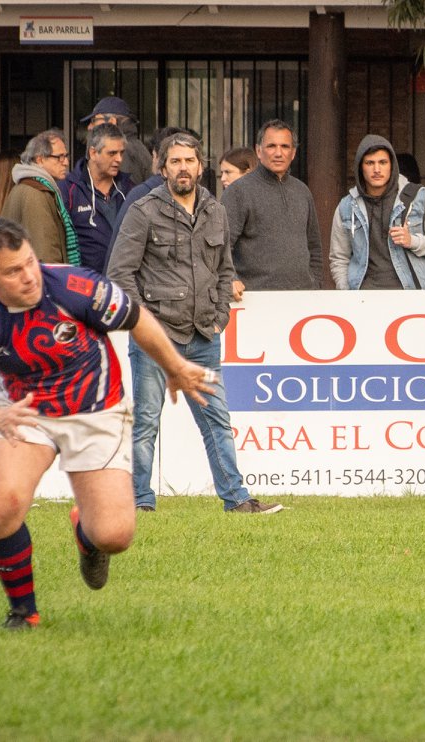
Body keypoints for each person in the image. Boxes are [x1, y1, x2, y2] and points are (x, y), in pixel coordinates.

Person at [0, 217, 217, 628]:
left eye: (29, 263)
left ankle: (87, 536)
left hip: (97, 408)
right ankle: (24, 612)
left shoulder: (74, 286)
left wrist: (176, 366)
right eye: (12, 271)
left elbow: (138, 319)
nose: (28, 277)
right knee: (1, 506)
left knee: (114, 535)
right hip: (25, 409)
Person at [107, 132, 282, 514]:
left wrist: (221, 316)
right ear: (163, 167)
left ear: (200, 166)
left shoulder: (215, 210)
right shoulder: (144, 210)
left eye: (189, 161)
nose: (183, 167)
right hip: (156, 338)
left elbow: (225, 271)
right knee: (147, 422)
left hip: (203, 334)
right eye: (175, 161)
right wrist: (142, 325)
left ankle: (236, 500)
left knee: (217, 420)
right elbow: (120, 273)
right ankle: (139, 502)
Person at [328, 134, 425, 290]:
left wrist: (413, 241)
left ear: (392, 165)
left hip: (412, 297)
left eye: (383, 162)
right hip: (363, 300)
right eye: (370, 163)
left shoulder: (419, 198)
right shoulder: (347, 206)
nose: (377, 169)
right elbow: (339, 258)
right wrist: (346, 293)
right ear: (360, 167)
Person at [222, 119, 327, 292]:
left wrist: (315, 285)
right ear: (258, 150)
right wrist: (231, 279)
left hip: (303, 299)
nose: (278, 153)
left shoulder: (302, 191)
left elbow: (314, 246)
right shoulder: (238, 192)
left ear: (293, 153)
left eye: (285, 147)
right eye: (271, 146)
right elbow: (221, 245)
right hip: (255, 301)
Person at [60, 124, 133, 275]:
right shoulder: (68, 190)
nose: (119, 159)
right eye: (112, 153)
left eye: (121, 153)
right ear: (93, 153)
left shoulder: (129, 188)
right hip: (86, 285)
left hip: (124, 283)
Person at [0, 129, 76, 265]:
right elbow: (46, 255)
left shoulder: (30, 187)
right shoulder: (36, 193)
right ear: (40, 159)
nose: (66, 162)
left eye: (66, 156)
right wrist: (56, 282)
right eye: (59, 157)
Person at [82, 96, 150, 183]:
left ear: (112, 121)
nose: (89, 127)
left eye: (94, 120)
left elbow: (125, 192)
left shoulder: (125, 150)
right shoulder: (133, 146)